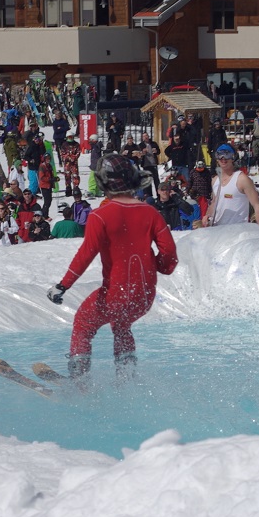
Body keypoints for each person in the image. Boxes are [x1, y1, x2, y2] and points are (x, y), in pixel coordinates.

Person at [47, 154, 179, 379]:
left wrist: (63, 285)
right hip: (145, 296)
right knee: (121, 324)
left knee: (83, 323)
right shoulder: (151, 212)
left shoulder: (100, 216)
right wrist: (157, 265)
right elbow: (169, 254)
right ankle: (126, 382)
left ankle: (79, 383)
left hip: (115, 294)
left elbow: (86, 253)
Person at [205, 143, 259, 226]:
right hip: (218, 231)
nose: (223, 159)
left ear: (233, 158)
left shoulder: (241, 179)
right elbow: (214, 203)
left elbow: (257, 205)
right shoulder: (215, 180)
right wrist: (207, 216)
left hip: (237, 231)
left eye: (227, 155)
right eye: (220, 155)